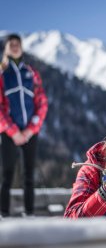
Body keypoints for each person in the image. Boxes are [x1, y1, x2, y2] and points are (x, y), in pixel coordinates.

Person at [0, 33, 48, 217]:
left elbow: (42, 101)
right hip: (8, 132)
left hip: (30, 131)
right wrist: (13, 131)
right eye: (10, 43)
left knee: (29, 175)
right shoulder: (2, 73)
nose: (14, 46)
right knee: (7, 174)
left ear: (21, 47)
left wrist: (30, 129)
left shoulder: (31, 73)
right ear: (5, 48)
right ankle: (3, 214)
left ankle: (30, 213)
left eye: (17, 43)